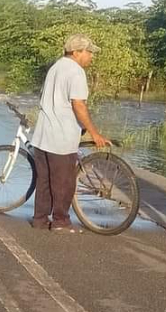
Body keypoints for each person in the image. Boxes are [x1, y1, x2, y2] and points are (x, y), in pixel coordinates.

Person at [30, 34, 112, 232]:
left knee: (45, 181)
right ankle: (61, 222)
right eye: (89, 52)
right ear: (76, 52)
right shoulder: (76, 72)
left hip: (43, 136)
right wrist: (94, 133)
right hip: (61, 138)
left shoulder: (56, 67)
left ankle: (40, 220)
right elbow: (79, 105)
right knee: (64, 183)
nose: (91, 56)